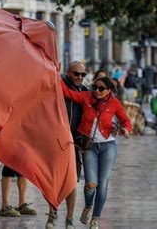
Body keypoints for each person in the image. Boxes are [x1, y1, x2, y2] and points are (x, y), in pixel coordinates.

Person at [61, 76, 132, 229]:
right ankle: (88, 206)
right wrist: (54, 72)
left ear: (109, 91)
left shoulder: (114, 103)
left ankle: (95, 218)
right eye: (95, 87)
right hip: (89, 146)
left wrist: (126, 129)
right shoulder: (86, 97)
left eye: (101, 88)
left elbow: (126, 120)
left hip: (108, 147)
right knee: (90, 184)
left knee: (103, 185)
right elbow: (67, 92)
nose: (97, 91)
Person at [46, 61, 89, 228]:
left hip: (76, 143)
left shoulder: (85, 92)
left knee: (72, 181)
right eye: (76, 74)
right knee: (54, 181)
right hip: (57, 141)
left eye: (82, 75)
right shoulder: (58, 86)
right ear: (68, 72)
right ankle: (52, 214)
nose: (79, 77)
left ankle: (69, 219)